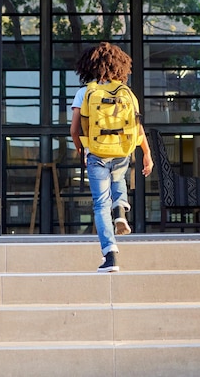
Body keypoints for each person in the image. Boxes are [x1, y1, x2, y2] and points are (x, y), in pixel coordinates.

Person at [70, 42, 153, 273]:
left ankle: (110, 256)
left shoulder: (85, 92)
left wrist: (81, 150)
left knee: (99, 204)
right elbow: (137, 129)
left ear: (89, 66)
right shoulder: (127, 93)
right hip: (121, 152)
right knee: (118, 179)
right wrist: (147, 154)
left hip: (96, 153)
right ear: (120, 66)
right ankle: (121, 210)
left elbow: (74, 130)